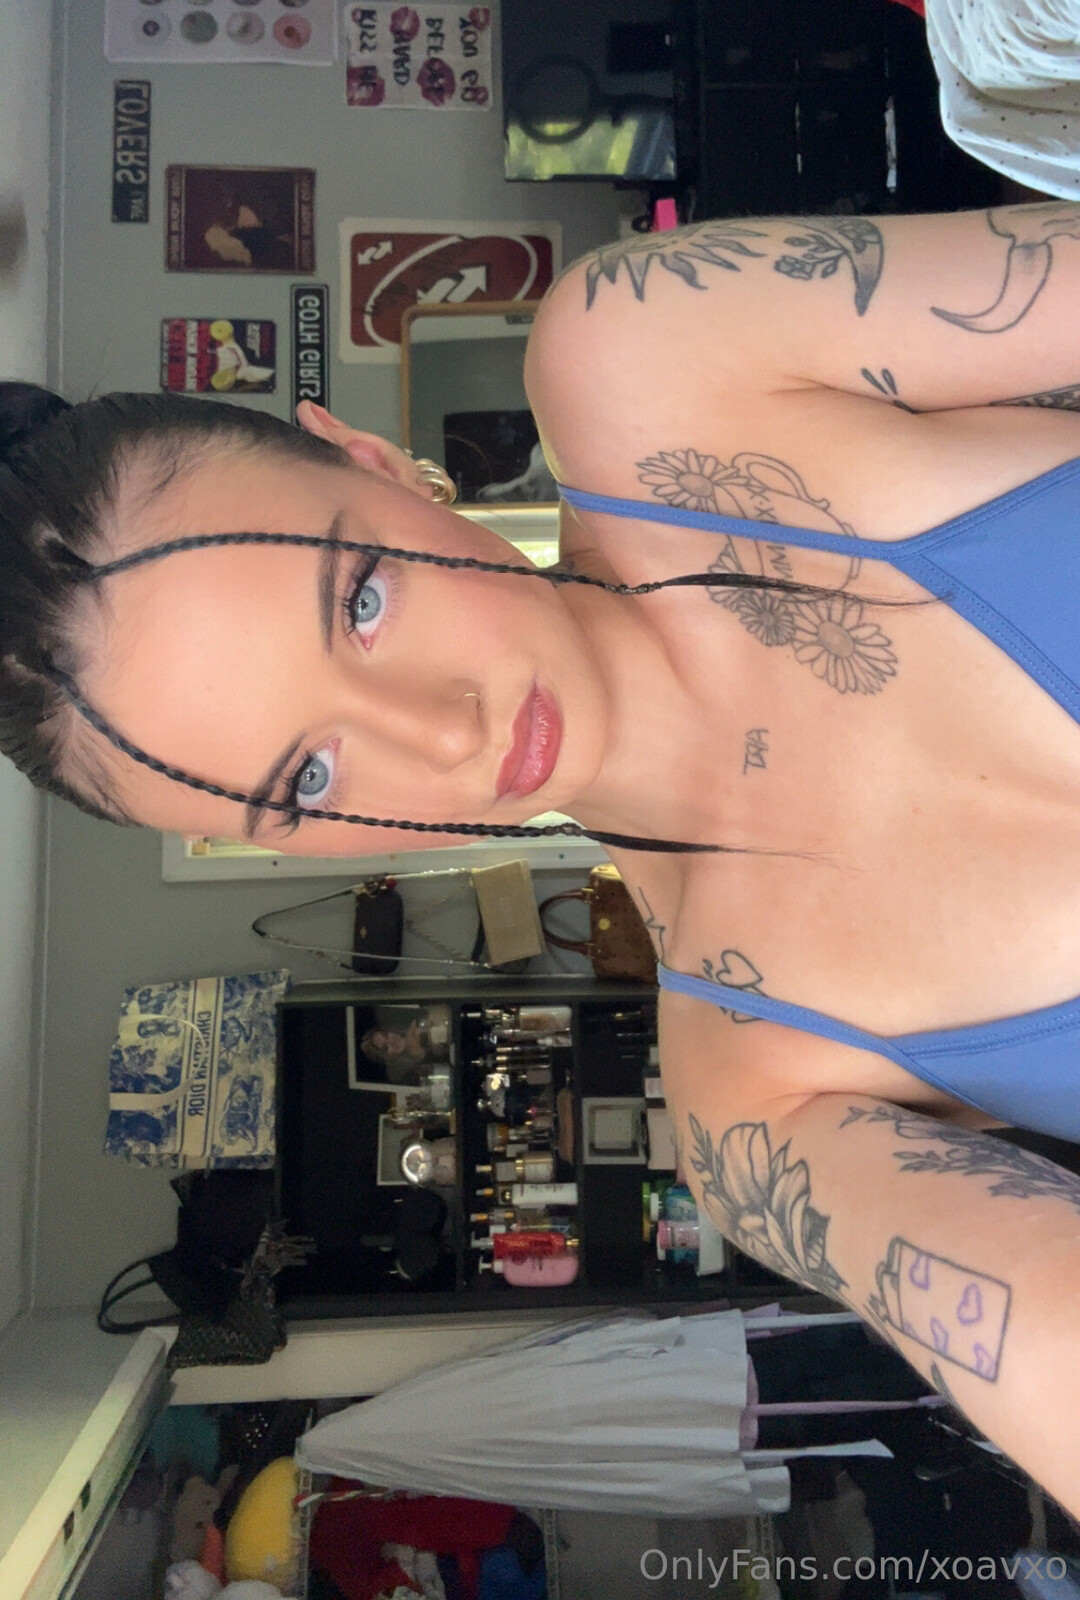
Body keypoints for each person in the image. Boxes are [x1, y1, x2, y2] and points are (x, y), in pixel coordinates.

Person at [5, 202, 1080, 1512]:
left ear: (375, 461)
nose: (444, 733)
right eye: (310, 778)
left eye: (361, 598)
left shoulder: (652, 357)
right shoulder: (757, 1098)